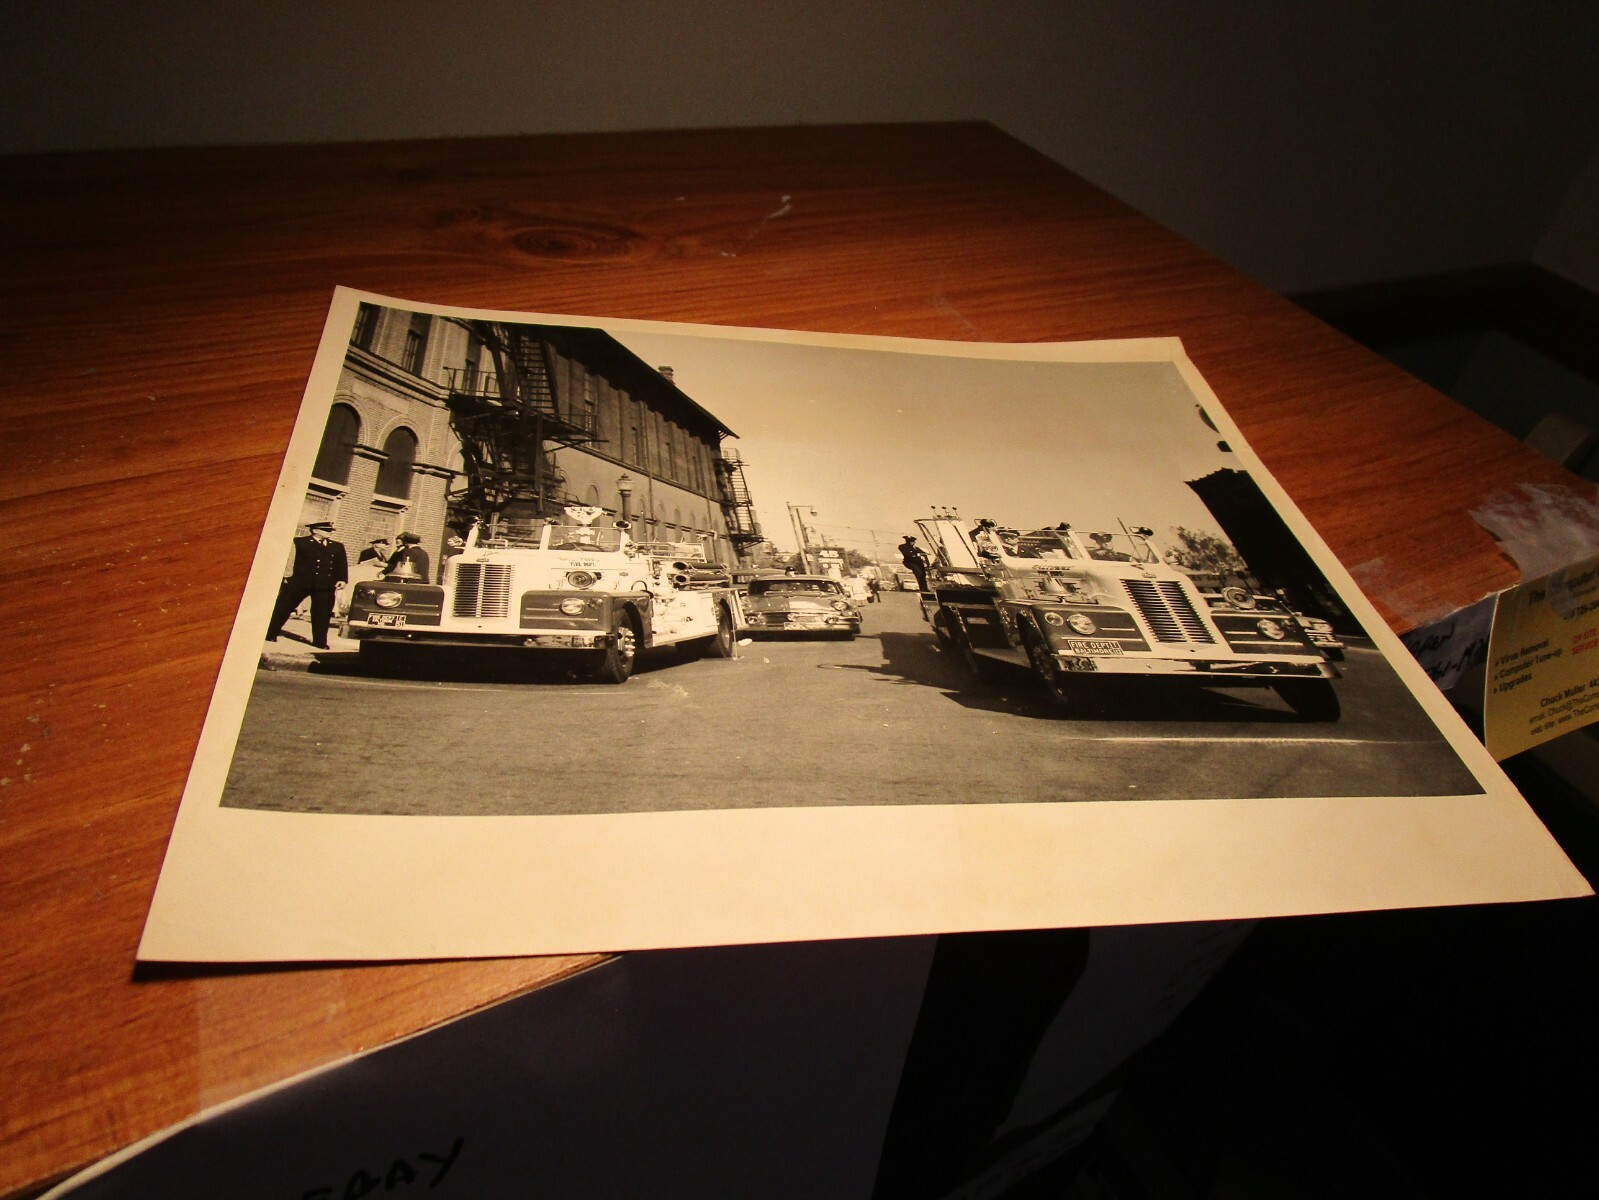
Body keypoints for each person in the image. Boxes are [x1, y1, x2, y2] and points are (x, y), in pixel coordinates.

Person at [267, 520, 348, 649]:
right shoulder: (299, 542)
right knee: (283, 608)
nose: (330, 533)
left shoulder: (337, 546)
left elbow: (341, 564)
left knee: (322, 614)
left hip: (325, 585)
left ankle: (320, 642)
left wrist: (342, 579)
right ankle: (270, 633)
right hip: (300, 582)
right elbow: (289, 559)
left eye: (330, 530)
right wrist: (286, 576)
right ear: (315, 530)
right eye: (326, 530)